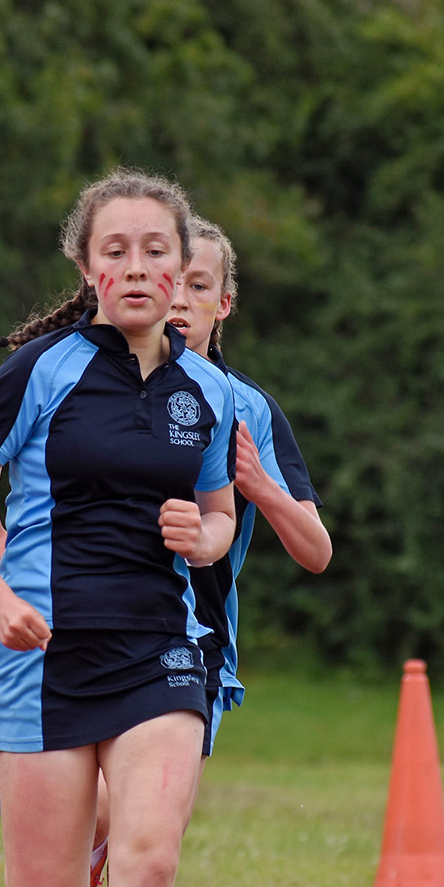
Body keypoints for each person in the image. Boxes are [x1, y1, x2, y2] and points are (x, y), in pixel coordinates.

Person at [0, 168, 236, 887]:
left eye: (154, 251)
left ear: (178, 269)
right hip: (44, 658)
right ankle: (55, 805)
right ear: (87, 267)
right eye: (116, 251)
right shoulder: (40, 370)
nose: (136, 268)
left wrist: (202, 538)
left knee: (154, 862)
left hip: (161, 653)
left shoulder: (207, 391)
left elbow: (221, 514)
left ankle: (116, 836)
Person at [169, 217, 331, 756]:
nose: (181, 299)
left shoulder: (249, 409)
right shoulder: (86, 378)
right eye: (170, 280)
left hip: (196, 642)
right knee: (97, 812)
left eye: (199, 286)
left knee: (137, 822)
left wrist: (261, 488)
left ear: (224, 304)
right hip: (92, 624)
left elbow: (316, 550)